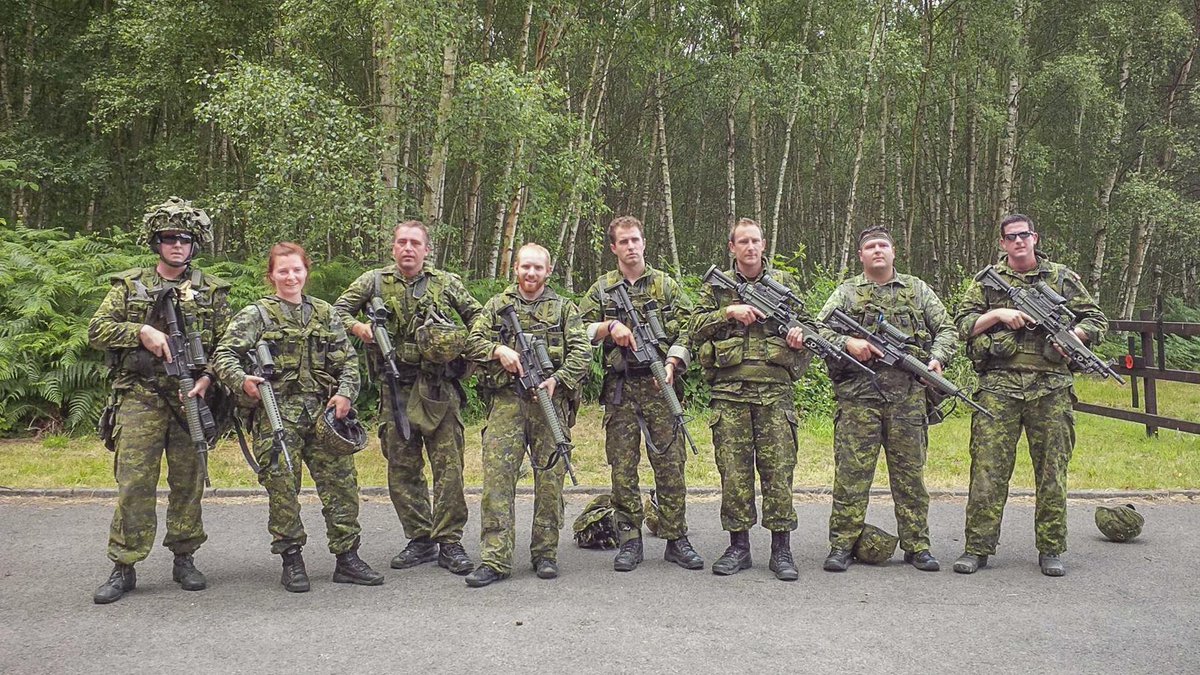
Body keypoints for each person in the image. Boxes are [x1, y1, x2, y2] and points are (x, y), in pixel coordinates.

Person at [213, 242, 382, 592]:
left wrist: (346, 393)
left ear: (306, 271)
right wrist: (242, 381)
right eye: (283, 271)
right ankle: (291, 559)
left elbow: (348, 361)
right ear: (271, 275)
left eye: (297, 270)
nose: (291, 276)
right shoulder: (255, 315)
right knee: (282, 490)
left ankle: (347, 558)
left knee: (342, 486)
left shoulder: (324, 313)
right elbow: (224, 355)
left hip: (324, 415)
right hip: (276, 415)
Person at [88, 197, 230, 604]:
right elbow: (97, 331)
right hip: (140, 398)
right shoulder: (130, 286)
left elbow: (227, 347)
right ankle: (124, 565)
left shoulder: (211, 292)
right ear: (156, 242)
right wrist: (140, 333)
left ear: (194, 244)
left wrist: (208, 379)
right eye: (168, 239)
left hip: (190, 398)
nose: (177, 246)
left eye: (184, 239)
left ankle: (184, 557)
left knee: (188, 482)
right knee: (134, 483)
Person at [953, 214, 1108, 577]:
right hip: (998, 390)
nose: (1019, 242)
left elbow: (1096, 319)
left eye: (1024, 235)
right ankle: (977, 548)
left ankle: (1051, 549)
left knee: (1052, 471)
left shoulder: (1062, 277)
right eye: (1011, 237)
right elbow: (962, 326)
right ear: (1003, 243)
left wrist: (1076, 337)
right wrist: (998, 314)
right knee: (988, 472)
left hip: (1051, 390)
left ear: (1034, 238)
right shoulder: (986, 282)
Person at [333, 220, 482, 575]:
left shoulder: (446, 284)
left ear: (427, 249)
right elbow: (336, 312)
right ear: (393, 248)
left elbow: (479, 316)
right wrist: (360, 329)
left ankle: (449, 541)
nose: (408, 249)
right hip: (395, 389)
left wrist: (455, 343)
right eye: (402, 242)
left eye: (415, 243)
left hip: (439, 388)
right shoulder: (373, 282)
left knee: (449, 468)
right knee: (402, 467)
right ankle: (420, 539)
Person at [816, 226, 957, 572]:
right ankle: (842, 545)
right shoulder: (847, 293)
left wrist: (937, 359)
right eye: (870, 247)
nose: (878, 250)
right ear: (861, 256)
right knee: (851, 476)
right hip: (858, 400)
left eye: (883, 245)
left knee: (910, 477)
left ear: (894, 252)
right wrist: (849, 344)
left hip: (908, 399)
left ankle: (917, 545)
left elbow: (947, 330)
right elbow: (816, 330)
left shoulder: (917, 290)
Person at [577, 216, 703, 572]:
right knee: (622, 467)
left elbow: (690, 327)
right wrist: (609, 327)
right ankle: (630, 539)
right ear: (613, 247)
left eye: (636, 240)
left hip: (660, 385)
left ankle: (676, 537)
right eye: (624, 241)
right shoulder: (602, 289)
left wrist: (674, 361)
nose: (631, 246)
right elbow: (575, 327)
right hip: (621, 390)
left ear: (644, 243)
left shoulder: (666, 285)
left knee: (671, 464)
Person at [461, 244, 590, 587]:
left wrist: (557, 379)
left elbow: (583, 352)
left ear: (549, 272)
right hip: (506, 404)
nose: (531, 273)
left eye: (538, 268)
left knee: (550, 481)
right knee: (497, 483)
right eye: (525, 267)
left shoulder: (564, 309)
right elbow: (470, 341)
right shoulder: (497, 307)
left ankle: (545, 553)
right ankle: (495, 558)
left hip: (549, 404)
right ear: (515, 269)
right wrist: (498, 349)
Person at [690, 218, 812, 581]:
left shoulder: (784, 285)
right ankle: (738, 546)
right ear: (732, 248)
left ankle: (781, 549)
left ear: (764, 245)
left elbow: (810, 327)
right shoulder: (715, 286)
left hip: (775, 395)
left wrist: (797, 336)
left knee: (778, 473)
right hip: (729, 395)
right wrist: (728, 312)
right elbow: (692, 327)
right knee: (734, 473)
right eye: (742, 242)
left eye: (755, 241)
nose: (750, 247)